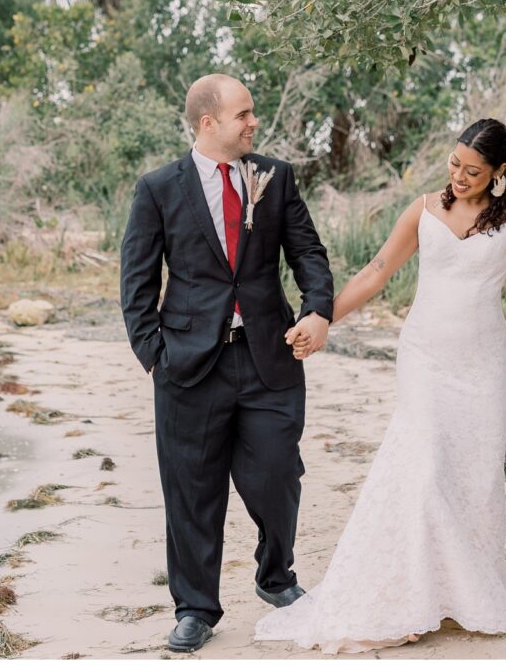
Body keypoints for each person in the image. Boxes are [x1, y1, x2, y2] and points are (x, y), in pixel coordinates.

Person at [256, 118, 506, 654]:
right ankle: (409, 598)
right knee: (424, 469)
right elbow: (375, 272)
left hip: (482, 368)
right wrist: (321, 320)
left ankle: (454, 598)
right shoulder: (424, 209)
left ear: (498, 173)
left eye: (473, 171)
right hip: (425, 360)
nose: (458, 176)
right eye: (454, 164)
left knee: (473, 482)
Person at [120, 73, 334, 653]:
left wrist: (319, 311)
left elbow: (307, 251)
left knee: (276, 474)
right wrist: (154, 358)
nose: (253, 122)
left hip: (270, 356)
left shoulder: (275, 177)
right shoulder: (159, 188)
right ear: (207, 122)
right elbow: (137, 282)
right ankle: (195, 608)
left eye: (253, 113)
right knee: (191, 490)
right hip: (189, 366)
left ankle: (275, 577)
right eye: (243, 114)